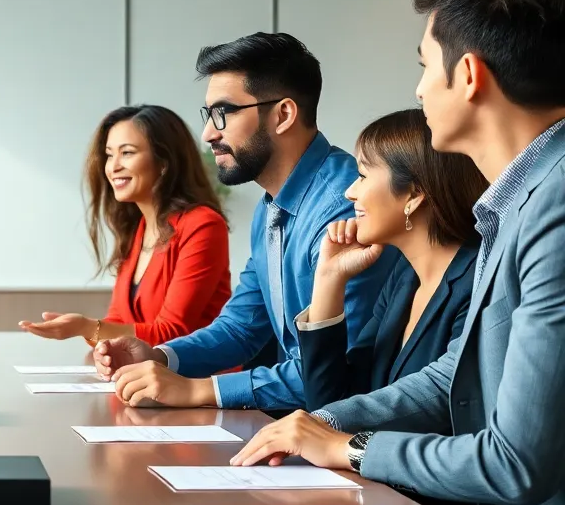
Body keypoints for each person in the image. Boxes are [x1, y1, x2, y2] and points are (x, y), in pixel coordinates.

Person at [231, 0, 565, 505]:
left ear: (468, 75)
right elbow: (451, 376)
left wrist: (350, 448)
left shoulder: (555, 204)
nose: (417, 89)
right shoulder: (520, 196)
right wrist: (321, 422)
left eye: (423, 65)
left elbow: (514, 465)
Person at [93, 33, 397, 411]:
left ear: (283, 115)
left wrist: (200, 391)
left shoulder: (344, 207)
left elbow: (334, 372)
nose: (207, 133)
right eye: (208, 115)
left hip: (343, 433)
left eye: (224, 112)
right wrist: (159, 356)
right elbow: (241, 328)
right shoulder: (270, 208)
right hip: (297, 424)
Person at [296, 109, 485, 411]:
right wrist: (329, 279)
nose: (349, 193)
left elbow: (444, 418)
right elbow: (330, 404)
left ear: (413, 193)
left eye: (362, 176)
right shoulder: (404, 276)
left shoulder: (479, 281)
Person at [19, 105, 231, 346]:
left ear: (164, 162)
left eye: (127, 153)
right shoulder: (138, 228)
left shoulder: (202, 225)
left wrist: (85, 327)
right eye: (109, 155)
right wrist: (97, 341)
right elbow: (118, 320)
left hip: (194, 379)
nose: (113, 166)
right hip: (145, 375)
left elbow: (172, 332)